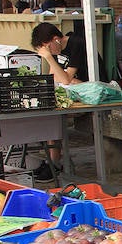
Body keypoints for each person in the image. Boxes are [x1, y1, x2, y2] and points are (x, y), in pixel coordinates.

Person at [29, 22, 78, 181]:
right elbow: (54, 77)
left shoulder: (77, 45)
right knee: (50, 113)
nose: (49, 52)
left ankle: (55, 163)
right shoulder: (56, 50)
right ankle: (52, 161)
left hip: (86, 91)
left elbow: (65, 78)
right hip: (68, 90)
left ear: (56, 39)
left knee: (55, 117)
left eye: (48, 47)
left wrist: (49, 58)